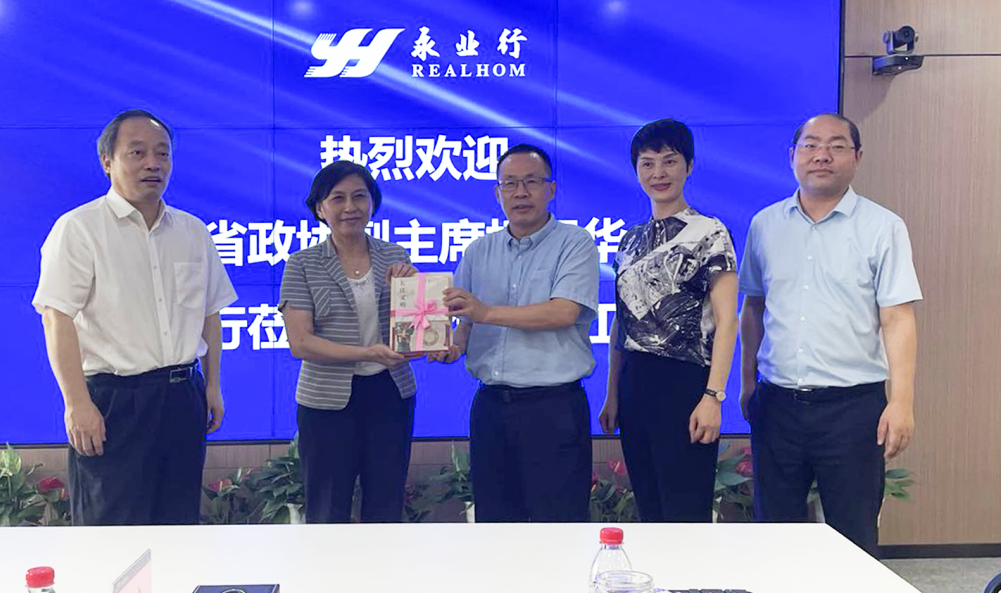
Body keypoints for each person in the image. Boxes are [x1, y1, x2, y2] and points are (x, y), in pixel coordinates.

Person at [33, 109, 236, 525]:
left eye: (162, 153)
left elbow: (210, 313)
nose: (153, 164)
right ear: (107, 161)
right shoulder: (79, 228)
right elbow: (57, 318)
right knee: (112, 528)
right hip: (114, 402)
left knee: (178, 523)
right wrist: (77, 403)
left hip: (182, 396)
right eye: (138, 152)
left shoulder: (193, 231)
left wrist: (212, 385)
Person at [739, 113, 921, 556]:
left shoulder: (883, 227)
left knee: (854, 536)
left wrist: (901, 402)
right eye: (810, 145)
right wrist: (747, 385)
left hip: (852, 409)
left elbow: (897, 318)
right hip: (778, 404)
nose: (822, 155)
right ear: (792, 156)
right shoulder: (765, 224)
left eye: (837, 146)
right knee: (774, 535)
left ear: (857, 157)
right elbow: (753, 308)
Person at [432, 144, 600, 523]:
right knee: (495, 527)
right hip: (491, 409)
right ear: (498, 192)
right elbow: (466, 324)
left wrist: (486, 312)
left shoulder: (575, 243)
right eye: (510, 183)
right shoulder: (478, 251)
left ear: (550, 189)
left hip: (553, 409)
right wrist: (450, 347)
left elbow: (563, 312)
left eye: (531, 182)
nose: (520, 192)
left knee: (558, 525)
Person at [598, 119, 739, 522]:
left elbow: (727, 321)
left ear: (688, 166)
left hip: (686, 384)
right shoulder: (629, 240)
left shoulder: (710, 233)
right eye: (647, 163)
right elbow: (622, 322)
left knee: (685, 510)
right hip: (635, 385)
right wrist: (612, 393)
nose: (658, 173)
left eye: (669, 161)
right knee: (650, 507)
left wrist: (712, 397)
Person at [278, 161, 419, 523]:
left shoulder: (395, 256)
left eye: (359, 196)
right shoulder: (302, 264)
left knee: (386, 503)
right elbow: (301, 342)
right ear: (319, 208)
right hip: (326, 402)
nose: (350, 207)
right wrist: (367, 353)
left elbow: (413, 330)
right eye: (337, 198)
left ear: (373, 203)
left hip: (390, 394)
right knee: (327, 507)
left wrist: (410, 292)